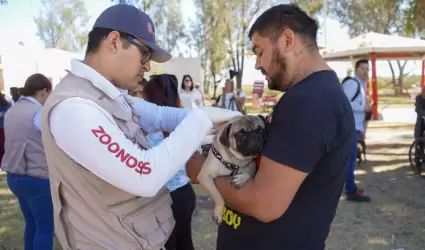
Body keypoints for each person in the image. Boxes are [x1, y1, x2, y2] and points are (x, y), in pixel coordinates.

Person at [39, 4, 240, 250]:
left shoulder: (108, 96)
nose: (147, 66)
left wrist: (229, 119)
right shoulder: (75, 109)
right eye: (144, 53)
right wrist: (202, 119)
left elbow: (160, 116)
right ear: (114, 42)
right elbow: (145, 175)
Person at [196, 4, 355, 249]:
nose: (258, 64)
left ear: (287, 40)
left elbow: (264, 204)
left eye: (259, 52)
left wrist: (201, 169)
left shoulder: (310, 103)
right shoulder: (310, 95)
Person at [143, 75, 196, 250]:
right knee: (184, 242)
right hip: (184, 192)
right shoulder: (181, 122)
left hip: (166, 197)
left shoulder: (149, 127)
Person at [1, 73, 54, 250]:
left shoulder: (12, 110)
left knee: (32, 224)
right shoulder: (39, 112)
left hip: (15, 176)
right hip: (36, 177)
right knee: (45, 228)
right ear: (44, 91)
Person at [341, 59, 372, 202]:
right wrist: (363, 108)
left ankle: (350, 187)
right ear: (357, 69)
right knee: (349, 159)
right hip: (349, 127)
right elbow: (344, 103)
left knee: (350, 159)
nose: (366, 72)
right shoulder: (352, 83)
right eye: (363, 69)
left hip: (355, 127)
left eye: (367, 69)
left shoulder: (361, 85)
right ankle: (350, 190)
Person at [0, 93, 10, 164]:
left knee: (2, 147)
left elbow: (8, 114)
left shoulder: (6, 104)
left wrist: (2, 114)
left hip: (2, 128)